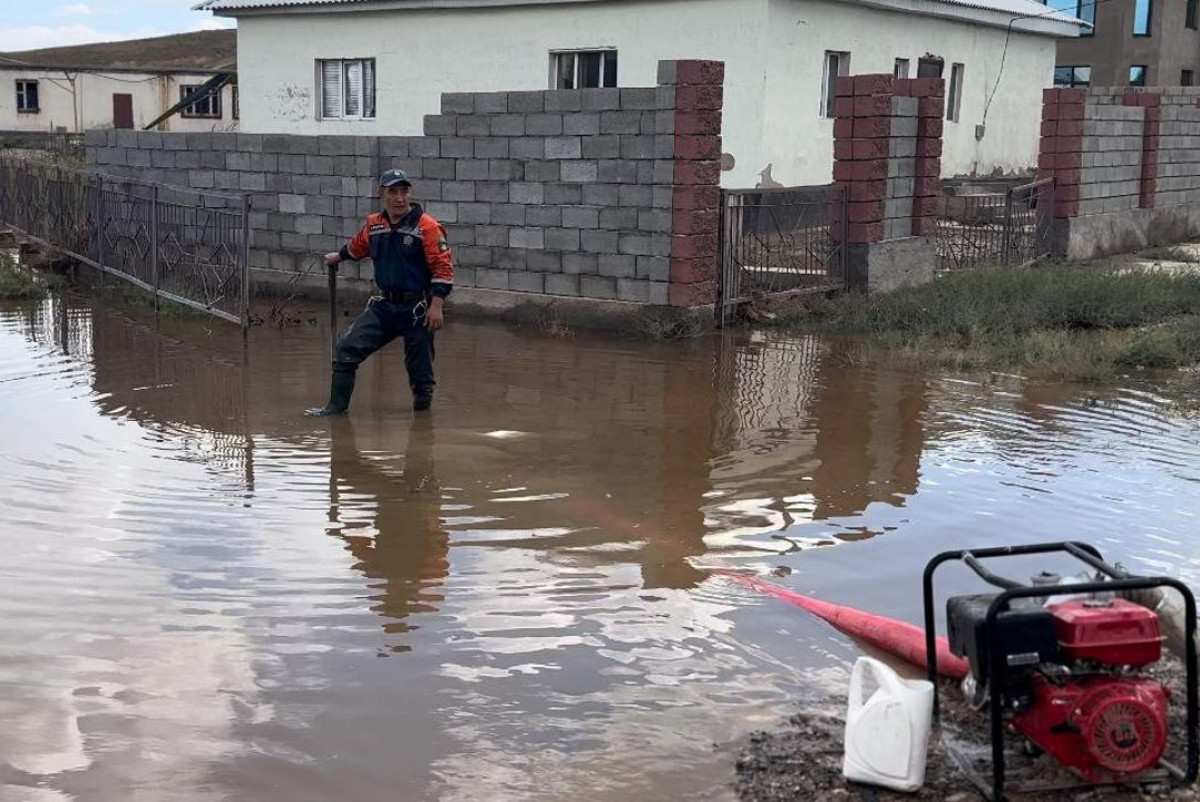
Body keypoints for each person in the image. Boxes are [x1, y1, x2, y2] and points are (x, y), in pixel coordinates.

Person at [306, 168, 453, 416]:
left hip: (418, 309)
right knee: (346, 350)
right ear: (382, 195)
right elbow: (357, 246)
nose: (399, 198)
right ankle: (335, 408)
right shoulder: (375, 224)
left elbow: (443, 268)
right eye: (393, 192)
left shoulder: (427, 227)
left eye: (404, 192)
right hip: (386, 307)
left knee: (421, 373)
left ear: (409, 195)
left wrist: (436, 306)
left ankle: (422, 424)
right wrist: (338, 257)